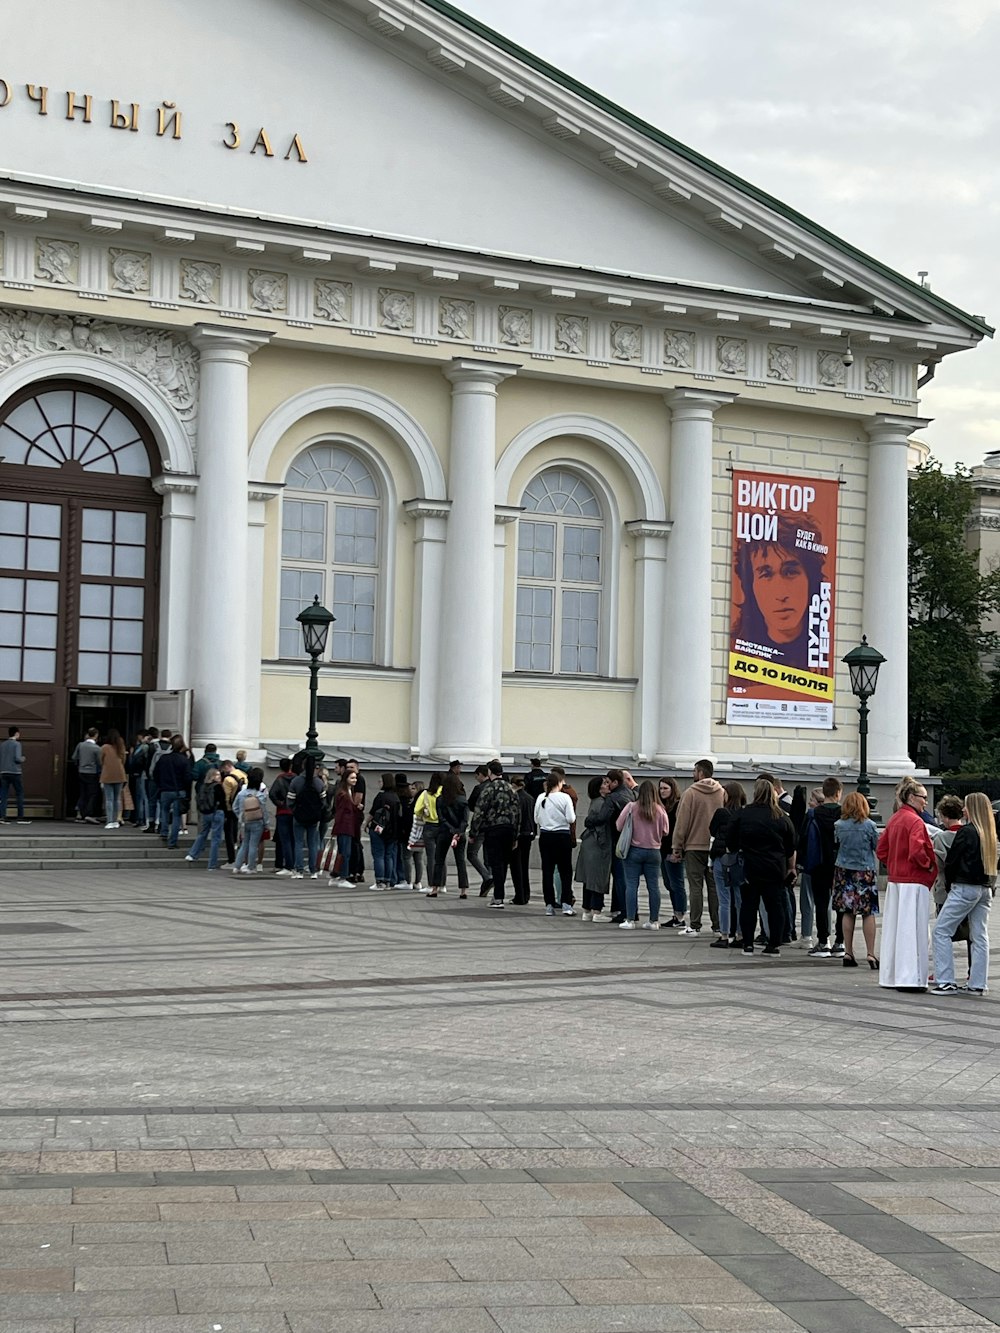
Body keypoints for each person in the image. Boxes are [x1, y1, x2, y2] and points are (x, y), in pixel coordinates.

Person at [732, 514, 826, 663]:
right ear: (750, 587)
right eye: (766, 574)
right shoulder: (737, 653)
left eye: (790, 572)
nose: (781, 593)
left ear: (810, 579)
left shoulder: (828, 646)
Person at [932, 792, 997, 996]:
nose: (963, 810)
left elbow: (952, 862)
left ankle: (946, 981)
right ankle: (978, 983)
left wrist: (951, 885)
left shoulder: (967, 832)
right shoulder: (990, 833)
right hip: (985, 888)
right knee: (979, 935)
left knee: (941, 931)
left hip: (964, 886)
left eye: (966, 806)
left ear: (972, 809)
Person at [876, 777, 936, 992]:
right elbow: (918, 851)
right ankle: (911, 978)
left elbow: (881, 850)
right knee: (914, 930)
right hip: (914, 880)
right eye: (924, 798)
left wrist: (893, 862)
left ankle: (890, 975)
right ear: (912, 797)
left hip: (896, 880)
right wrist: (929, 865)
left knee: (894, 929)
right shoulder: (916, 821)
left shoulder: (894, 819)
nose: (926, 803)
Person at [726, 777, 796, 957]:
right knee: (775, 906)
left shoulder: (744, 813)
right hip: (774, 867)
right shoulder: (781, 816)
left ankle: (748, 943)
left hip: (749, 866)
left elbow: (730, 840)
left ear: (755, 793)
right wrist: (791, 868)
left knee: (749, 905)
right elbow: (791, 846)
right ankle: (773, 945)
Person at [671, 760, 725, 936]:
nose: (693, 774)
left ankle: (695, 925)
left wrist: (677, 846)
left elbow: (682, 822)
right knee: (714, 887)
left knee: (695, 887)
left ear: (700, 773)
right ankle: (717, 926)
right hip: (715, 846)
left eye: (694, 771)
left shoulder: (690, 793)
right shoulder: (722, 792)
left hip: (694, 846)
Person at [833, 792, 880, 968]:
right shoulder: (870, 825)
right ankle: (870, 953)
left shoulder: (838, 825)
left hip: (843, 870)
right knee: (868, 912)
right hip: (864, 870)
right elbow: (877, 847)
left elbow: (836, 845)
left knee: (847, 911)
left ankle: (848, 951)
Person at [615, 779, 669, 930]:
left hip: (634, 850)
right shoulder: (660, 810)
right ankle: (654, 921)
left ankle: (630, 919)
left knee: (631, 885)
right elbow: (666, 831)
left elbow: (619, 826)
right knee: (653, 886)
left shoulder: (631, 807)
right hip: (654, 852)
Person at [801, 777, 844, 959]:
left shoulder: (813, 814)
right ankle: (840, 942)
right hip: (840, 862)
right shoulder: (844, 813)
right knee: (841, 903)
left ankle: (823, 941)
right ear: (838, 793)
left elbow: (803, 839)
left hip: (818, 862)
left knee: (820, 902)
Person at [469, 760, 520, 909]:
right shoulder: (512, 789)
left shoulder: (489, 789)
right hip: (509, 829)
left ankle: (498, 897)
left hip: (493, 829)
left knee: (495, 862)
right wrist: (515, 835)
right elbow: (518, 812)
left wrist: (473, 832)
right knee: (504, 863)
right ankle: (499, 894)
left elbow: (479, 812)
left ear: (490, 773)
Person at [709, 782, 746, 949]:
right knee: (739, 898)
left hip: (721, 857)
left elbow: (711, 830)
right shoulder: (744, 813)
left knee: (724, 898)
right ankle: (740, 934)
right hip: (738, 858)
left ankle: (724, 935)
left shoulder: (721, 812)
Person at [534, 772, 577, 917]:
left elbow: (536, 819)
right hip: (562, 836)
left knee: (547, 871)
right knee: (565, 871)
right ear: (558, 783)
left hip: (545, 835)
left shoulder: (541, 797)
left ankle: (549, 905)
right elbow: (571, 819)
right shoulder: (565, 797)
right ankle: (566, 904)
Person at [576, 776, 612, 921]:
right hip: (598, 844)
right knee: (598, 877)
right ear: (600, 788)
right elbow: (601, 827)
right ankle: (597, 910)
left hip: (589, 843)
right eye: (604, 783)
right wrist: (605, 846)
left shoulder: (595, 802)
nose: (607, 785)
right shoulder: (602, 803)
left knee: (588, 878)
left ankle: (587, 910)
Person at [427, 773, 469, 898]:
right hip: (459, 834)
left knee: (439, 860)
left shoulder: (440, 799)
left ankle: (434, 888)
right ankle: (463, 890)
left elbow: (441, 818)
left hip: (444, 833)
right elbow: (465, 819)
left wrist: (450, 830)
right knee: (461, 861)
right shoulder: (463, 800)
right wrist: (459, 831)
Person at [603, 769, 636, 924]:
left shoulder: (612, 798)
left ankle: (624, 911)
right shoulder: (632, 795)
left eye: (608, 782)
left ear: (615, 782)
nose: (606, 785)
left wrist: (589, 821)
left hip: (618, 842)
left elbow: (603, 817)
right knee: (629, 878)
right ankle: (631, 910)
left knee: (620, 878)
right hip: (632, 841)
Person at [289, 756, 325, 879]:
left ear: (303, 766)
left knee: (298, 842)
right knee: (313, 843)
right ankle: (313, 870)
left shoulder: (296, 781)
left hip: (299, 815)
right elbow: (323, 802)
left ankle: (299, 870)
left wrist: (295, 810)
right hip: (313, 817)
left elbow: (290, 801)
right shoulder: (319, 782)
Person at [367, 771, 404, 891]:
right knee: (389, 856)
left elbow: (373, 813)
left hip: (379, 829)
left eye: (381, 780)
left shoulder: (380, 797)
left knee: (378, 855)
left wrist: (365, 824)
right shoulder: (396, 798)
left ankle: (379, 881)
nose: (379, 782)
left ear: (385, 782)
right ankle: (388, 881)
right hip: (392, 831)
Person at [658, 778, 686, 928]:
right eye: (661, 788)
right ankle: (676, 914)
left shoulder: (677, 806)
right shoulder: (663, 806)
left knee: (676, 883)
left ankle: (680, 915)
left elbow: (679, 828)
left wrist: (678, 849)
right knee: (669, 883)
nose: (662, 791)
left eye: (665, 788)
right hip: (663, 849)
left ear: (672, 789)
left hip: (673, 849)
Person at [156, 735, 193, 849]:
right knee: (177, 816)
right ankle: (173, 841)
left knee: (164, 811)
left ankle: (164, 832)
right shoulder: (184, 760)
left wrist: (160, 785)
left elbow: (155, 773)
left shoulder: (163, 758)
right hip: (179, 790)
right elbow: (188, 778)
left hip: (165, 789)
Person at [185, 767, 226, 870]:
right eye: (217, 775)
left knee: (202, 834)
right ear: (212, 776)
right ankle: (211, 864)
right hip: (217, 813)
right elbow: (223, 801)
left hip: (205, 813)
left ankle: (192, 854)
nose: (219, 777)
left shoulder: (203, 787)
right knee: (215, 839)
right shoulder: (218, 787)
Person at [232, 766, 269, 874]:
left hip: (244, 822)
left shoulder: (241, 794)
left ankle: (237, 866)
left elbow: (235, 807)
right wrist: (266, 823)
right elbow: (264, 811)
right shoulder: (260, 795)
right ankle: (250, 867)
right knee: (253, 844)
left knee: (244, 844)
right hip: (257, 821)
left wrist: (240, 816)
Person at [330, 768, 362, 887]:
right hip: (345, 826)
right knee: (345, 853)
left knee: (342, 852)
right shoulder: (344, 794)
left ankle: (336, 875)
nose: (355, 780)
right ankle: (343, 877)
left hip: (345, 826)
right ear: (346, 779)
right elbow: (342, 812)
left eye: (355, 777)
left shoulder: (347, 791)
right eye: (352, 778)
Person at [466, 764, 493, 896]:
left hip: (480, 826)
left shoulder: (479, 788)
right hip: (492, 826)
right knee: (488, 857)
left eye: (476, 776)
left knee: (471, 854)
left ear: (480, 775)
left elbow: (471, 806)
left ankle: (487, 877)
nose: (476, 778)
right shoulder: (495, 787)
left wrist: (472, 831)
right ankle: (486, 885)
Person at [510, 775, 535, 905]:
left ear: (514, 784)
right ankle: (526, 893)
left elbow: (515, 819)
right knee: (524, 865)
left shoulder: (516, 798)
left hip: (519, 834)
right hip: (529, 833)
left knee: (516, 866)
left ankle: (519, 895)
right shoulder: (530, 798)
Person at [269, 757, 296, 877]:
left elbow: (272, 793)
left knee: (285, 840)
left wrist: (280, 803)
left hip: (282, 812)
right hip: (294, 812)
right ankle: (294, 864)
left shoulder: (279, 779)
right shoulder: (296, 778)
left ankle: (288, 865)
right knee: (294, 839)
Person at [98, 728, 128, 828]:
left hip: (107, 775)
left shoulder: (104, 747)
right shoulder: (121, 747)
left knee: (109, 799)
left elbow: (100, 760)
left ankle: (110, 820)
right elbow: (124, 760)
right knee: (117, 799)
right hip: (120, 774)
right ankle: (116, 820)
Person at [72, 727, 102, 824]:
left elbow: (74, 757)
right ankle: (88, 814)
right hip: (92, 773)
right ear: (96, 735)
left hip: (81, 771)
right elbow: (100, 762)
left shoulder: (80, 745)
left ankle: (79, 812)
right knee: (92, 794)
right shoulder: (97, 748)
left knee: (83, 793)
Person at [0, 725, 29, 824]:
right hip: (15, 772)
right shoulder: (17, 744)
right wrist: (23, 758)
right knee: (19, 793)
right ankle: (20, 817)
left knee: (3, 795)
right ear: (16, 733)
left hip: (4, 772)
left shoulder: (2, 744)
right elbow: (17, 758)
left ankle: (2, 816)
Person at [219, 759, 246, 865]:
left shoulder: (228, 779)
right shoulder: (243, 775)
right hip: (242, 808)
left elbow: (226, 797)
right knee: (240, 833)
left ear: (227, 766)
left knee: (229, 833)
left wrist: (226, 809)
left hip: (231, 810)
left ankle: (232, 859)